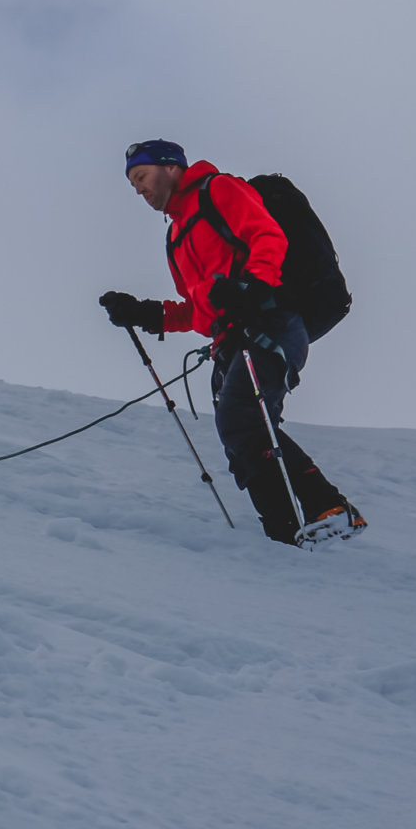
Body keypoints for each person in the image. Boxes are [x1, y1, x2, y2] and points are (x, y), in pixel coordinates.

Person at [99, 139, 363, 545]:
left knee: (242, 419)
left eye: (141, 176)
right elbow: (197, 310)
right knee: (241, 432)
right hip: (230, 340)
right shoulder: (176, 238)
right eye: (133, 183)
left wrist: (252, 287)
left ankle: (329, 510)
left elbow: (268, 237)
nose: (138, 189)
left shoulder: (218, 190)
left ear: (170, 168)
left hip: (270, 321)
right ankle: (285, 535)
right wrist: (146, 313)